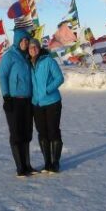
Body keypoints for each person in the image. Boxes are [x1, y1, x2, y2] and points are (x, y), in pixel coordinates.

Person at [0, 28, 35, 176]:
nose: (25, 43)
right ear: (17, 41)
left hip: (28, 101)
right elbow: (2, 76)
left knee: (27, 133)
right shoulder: (9, 56)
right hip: (14, 101)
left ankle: (27, 165)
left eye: (27, 40)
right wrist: (6, 96)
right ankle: (20, 167)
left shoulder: (28, 57)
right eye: (23, 40)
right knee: (16, 133)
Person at [28, 40, 65, 172]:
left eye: (35, 47)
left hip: (52, 102)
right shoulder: (29, 64)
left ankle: (55, 163)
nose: (33, 49)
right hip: (37, 104)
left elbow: (59, 78)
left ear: (39, 48)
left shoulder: (48, 61)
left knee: (53, 131)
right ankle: (47, 162)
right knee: (42, 133)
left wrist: (47, 90)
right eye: (31, 48)